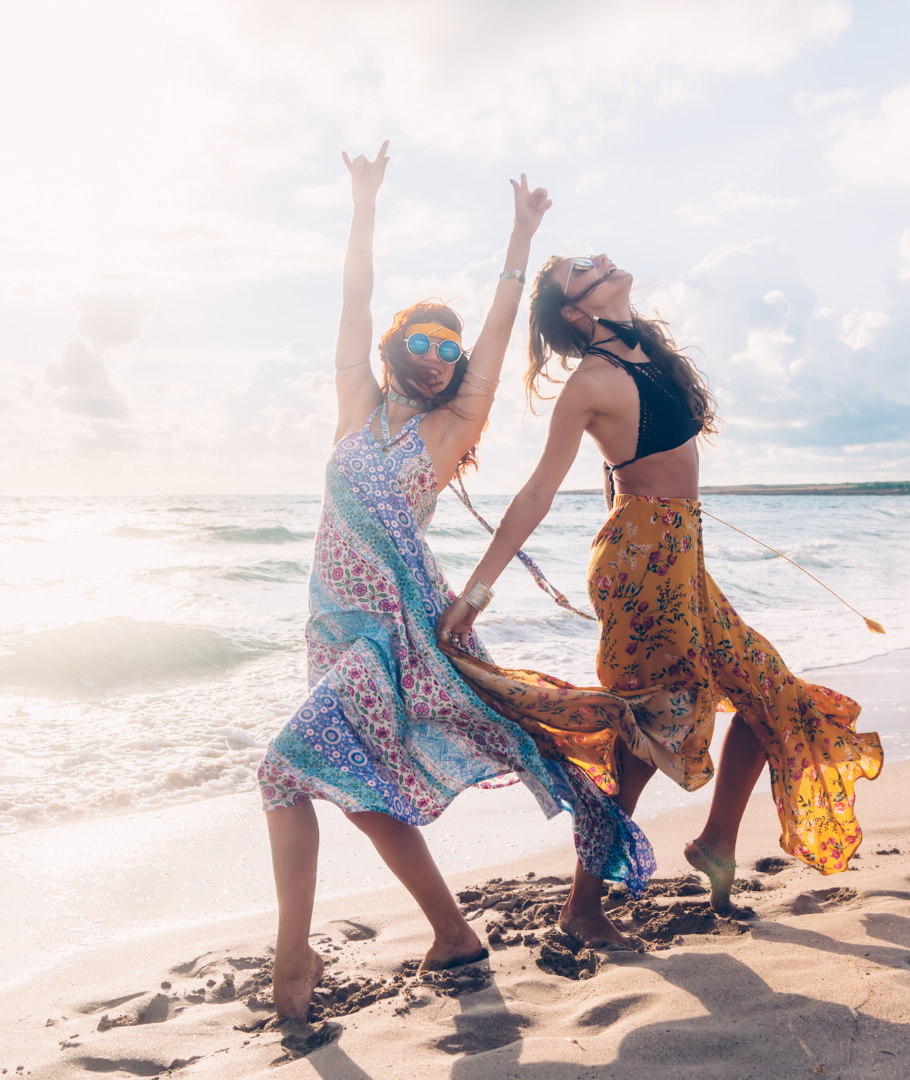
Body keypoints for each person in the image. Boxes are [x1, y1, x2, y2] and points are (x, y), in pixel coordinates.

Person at [257, 152, 657, 1022]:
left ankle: (294, 963)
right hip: (329, 631)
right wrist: (363, 205)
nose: (440, 357)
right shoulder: (356, 405)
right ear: (398, 351)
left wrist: (520, 238)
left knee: (282, 773)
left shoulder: (448, 430)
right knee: (359, 793)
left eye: (451, 349)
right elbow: (353, 302)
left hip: (394, 636)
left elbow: (502, 325)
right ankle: (454, 935)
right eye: (424, 344)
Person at [437, 251, 883, 947]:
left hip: (681, 556)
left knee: (772, 693)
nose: (602, 259)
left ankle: (715, 845)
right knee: (649, 736)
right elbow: (536, 492)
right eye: (583, 267)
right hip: (644, 564)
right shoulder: (590, 379)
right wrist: (479, 590)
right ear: (577, 312)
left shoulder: (650, 352)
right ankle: (582, 908)